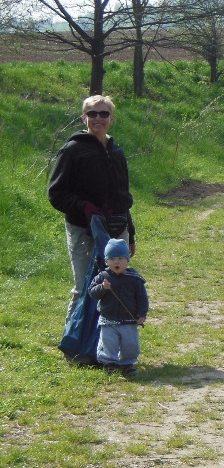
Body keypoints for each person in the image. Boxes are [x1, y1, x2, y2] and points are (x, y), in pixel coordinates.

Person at [48, 95, 136, 320]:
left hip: (117, 229)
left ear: (111, 118)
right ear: (83, 118)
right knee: (85, 286)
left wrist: (131, 234)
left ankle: (109, 338)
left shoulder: (116, 152)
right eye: (92, 113)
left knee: (115, 283)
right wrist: (84, 207)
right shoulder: (72, 150)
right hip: (82, 228)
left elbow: (123, 196)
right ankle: (73, 337)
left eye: (104, 113)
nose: (98, 118)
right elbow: (56, 193)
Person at [88, 238, 148, 376]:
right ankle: (109, 364)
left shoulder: (134, 278)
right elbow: (92, 293)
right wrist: (102, 288)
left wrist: (142, 314)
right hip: (108, 320)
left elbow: (142, 298)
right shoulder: (102, 277)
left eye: (120, 258)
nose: (116, 262)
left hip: (129, 320)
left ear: (127, 260)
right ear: (106, 261)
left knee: (130, 344)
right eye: (112, 259)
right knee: (108, 343)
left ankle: (128, 364)